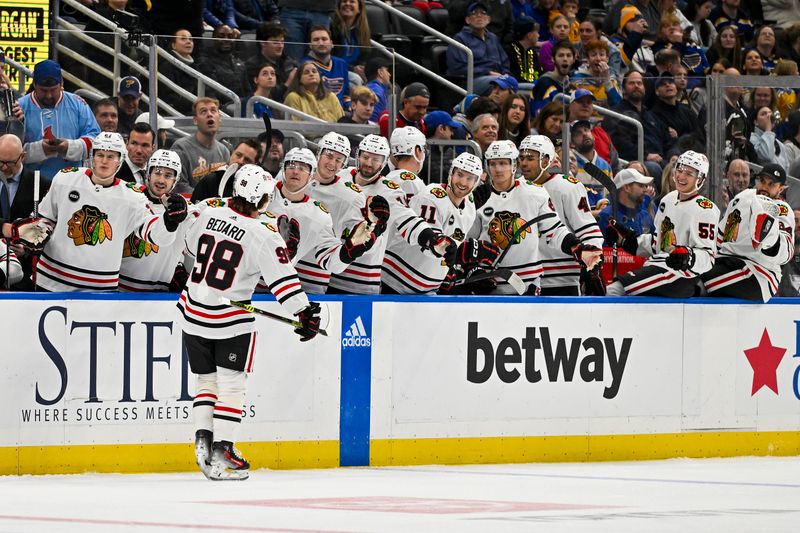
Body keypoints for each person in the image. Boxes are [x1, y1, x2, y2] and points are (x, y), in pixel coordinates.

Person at [178, 164, 321, 481]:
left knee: (206, 382)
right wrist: (304, 311)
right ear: (263, 198)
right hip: (228, 320)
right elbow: (283, 281)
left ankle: (203, 447)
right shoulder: (263, 233)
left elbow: (188, 248)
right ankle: (222, 451)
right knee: (231, 385)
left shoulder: (208, 211)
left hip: (192, 310)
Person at [33, 132, 188, 292]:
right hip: (51, 280)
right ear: (92, 156)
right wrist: (33, 233)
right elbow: (46, 219)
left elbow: (153, 234)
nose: (104, 161)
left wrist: (169, 222)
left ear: (120, 161)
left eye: (111, 156)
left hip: (100, 289)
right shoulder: (65, 179)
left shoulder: (132, 197)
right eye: (100, 154)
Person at [469, 139, 600, 295]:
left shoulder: (552, 189)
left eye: (503, 163)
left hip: (552, 278)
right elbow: (466, 239)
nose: (498, 169)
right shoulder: (482, 196)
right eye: (493, 163)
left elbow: (561, 231)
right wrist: (471, 269)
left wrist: (586, 255)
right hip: (501, 282)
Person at [330, 133, 446, 293]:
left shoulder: (390, 191)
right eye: (366, 156)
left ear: (384, 162)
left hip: (363, 282)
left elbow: (410, 220)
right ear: (357, 155)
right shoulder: (340, 177)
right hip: (331, 272)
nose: (369, 163)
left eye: (376, 159)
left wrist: (432, 239)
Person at [268, 147, 385, 294]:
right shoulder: (262, 194)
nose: (295, 171)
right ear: (283, 170)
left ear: (311, 175)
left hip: (284, 290)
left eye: (302, 168)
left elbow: (331, 261)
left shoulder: (319, 215)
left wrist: (347, 252)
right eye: (291, 166)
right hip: (250, 283)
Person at [606, 151, 720, 297]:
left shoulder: (706, 209)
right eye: (679, 170)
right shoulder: (668, 200)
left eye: (689, 174)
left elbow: (707, 256)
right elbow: (658, 243)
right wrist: (630, 241)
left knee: (616, 290)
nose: (681, 176)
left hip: (681, 275)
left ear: (701, 178)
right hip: (658, 265)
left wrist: (687, 257)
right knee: (613, 289)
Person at [383, 152, 498, 294]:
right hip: (396, 282)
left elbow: (453, 241)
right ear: (451, 173)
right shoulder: (432, 196)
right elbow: (431, 244)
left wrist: (449, 270)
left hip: (428, 290)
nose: (463, 182)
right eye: (460, 175)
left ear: (476, 182)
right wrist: (469, 251)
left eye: (470, 178)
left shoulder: (469, 206)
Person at [518, 134, 603, 295]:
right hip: (527, 278)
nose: (523, 163)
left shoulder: (568, 187)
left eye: (530, 158)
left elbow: (589, 232)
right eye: (521, 158)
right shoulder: (517, 188)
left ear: (545, 160)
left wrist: (593, 266)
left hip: (563, 278)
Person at [701, 163, 795, 302]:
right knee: (694, 269)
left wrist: (770, 239)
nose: (765, 187)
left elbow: (786, 253)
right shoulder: (743, 198)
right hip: (727, 261)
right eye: (762, 181)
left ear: (780, 189)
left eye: (771, 184)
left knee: (701, 280)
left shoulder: (781, 209)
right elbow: (720, 236)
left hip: (758, 273)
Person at [305, 133, 371, 293]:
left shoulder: (351, 195)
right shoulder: (296, 175)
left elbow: (362, 232)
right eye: (329, 155)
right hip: (283, 268)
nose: (332, 163)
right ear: (319, 153)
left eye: (339, 159)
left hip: (315, 275)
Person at [119, 149, 190, 292]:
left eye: (168, 175)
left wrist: (179, 267)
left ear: (175, 180)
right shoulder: (128, 197)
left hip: (158, 299)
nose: (161, 180)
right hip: (118, 292)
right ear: (148, 174)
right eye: (157, 172)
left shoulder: (183, 210)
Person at [19, 59, 100, 183]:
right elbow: (10, 152)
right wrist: (39, 149)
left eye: (53, 90)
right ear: (34, 84)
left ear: (61, 83)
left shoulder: (78, 104)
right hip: (30, 183)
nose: (49, 95)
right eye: (43, 90)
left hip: (72, 181)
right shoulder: (19, 107)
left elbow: (96, 141)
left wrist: (69, 147)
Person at [607, 71, 669, 178]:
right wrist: (646, 155)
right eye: (631, 83)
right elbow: (621, 144)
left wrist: (673, 155)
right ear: (624, 89)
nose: (636, 86)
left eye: (639, 83)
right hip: (634, 162)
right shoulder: (617, 114)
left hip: (660, 159)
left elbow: (667, 139)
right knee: (653, 168)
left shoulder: (651, 115)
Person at [446, 1, 510, 95]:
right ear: (467, 20)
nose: (479, 16)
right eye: (474, 13)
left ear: (489, 19)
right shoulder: (460, 38)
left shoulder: (493, 38)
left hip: (498, 78)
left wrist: (505, 74)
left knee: (529, 87)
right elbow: (458, 68)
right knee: (501, 84)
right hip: (472, 80)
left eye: (483, 13)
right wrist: (487, 72)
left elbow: (505, 61)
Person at [171, 98, 231, 193]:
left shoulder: (224, 151)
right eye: (203, 111)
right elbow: (179, 185)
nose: (209, 114)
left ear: (219, 118)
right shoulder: (181, 147)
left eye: (213, 110)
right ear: (195, 120)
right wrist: (205, 199)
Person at [190, 139, 263, 202]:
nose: (240, 161)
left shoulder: (256, 190)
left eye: (247, 160)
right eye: (238, 155)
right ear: (232, 154)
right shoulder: (210, 181)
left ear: (255, 165)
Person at [597, 168, 655, 246]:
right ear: (627, 187)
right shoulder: (606, 216)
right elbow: (603, 251)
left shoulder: (645, 214)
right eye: (641, 185)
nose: (645, 189)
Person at [246, 22, 297, 102]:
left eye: (282, 42)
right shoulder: (253, 65)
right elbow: (262, 94)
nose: (280, 46)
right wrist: (288, 83)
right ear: (263, 43)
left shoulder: (289, 62)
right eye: (275, 42)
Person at [196, 25, 250, 100]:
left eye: (230, 36)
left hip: (241, 106)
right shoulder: (205, 62)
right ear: (214, 39)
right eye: (221, 36)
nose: (226, 39)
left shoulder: (239, 62)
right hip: (221, 107)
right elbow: (211, 94)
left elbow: (247, 91)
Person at [303, 26, 351, 107]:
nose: (321, 43)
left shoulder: (341, 63)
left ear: (332, 44)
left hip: (341, 112)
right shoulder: (304, 65)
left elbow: (346, 95)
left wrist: (349, 107)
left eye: (324, 39)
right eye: (316, 40)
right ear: (310, 45)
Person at [571, 39, 622, 108]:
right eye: (593, 55)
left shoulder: (612, 79)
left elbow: (618, 105)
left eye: (601, 55)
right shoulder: (578, 79)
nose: (598, 59)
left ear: (607, 59)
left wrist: (607, 80)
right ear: (588, 59)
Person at [531, 40, 574, 114]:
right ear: (553, 59)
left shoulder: (572, 88)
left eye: (569, 55)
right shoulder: (543, 84)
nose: (565, 59)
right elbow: (539, 115)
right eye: (561, 55)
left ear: (573, 59)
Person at [421, 110, 461, 184]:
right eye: (451, 129)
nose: (452, 133)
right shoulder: (422, 153)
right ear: (441, 129)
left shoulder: (451, 152)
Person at [506, 16, 541, 85]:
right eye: (536, 32)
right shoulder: (510, 51)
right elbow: (515, 75)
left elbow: (540, 72)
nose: (538, 36)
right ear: (529, 35)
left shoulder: (532, 52)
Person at [364, 56, 391, 123]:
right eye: (387, 71)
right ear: (380, 72)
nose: (389, 74)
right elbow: (372, 120)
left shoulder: (375, 88)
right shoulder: (376, 91)